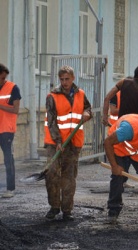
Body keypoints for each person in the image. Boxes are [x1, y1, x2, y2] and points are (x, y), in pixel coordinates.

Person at [44, 65, 92, 221]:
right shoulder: (52, 96)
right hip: (55, 142)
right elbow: (51, 121)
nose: (64, 82)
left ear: (73, 78)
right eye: (62, 79)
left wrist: (87, 113)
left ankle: (67, 209)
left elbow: (88, 108)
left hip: (74, 142)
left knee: (69, 176)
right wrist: (58, 140)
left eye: (67, 79)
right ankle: (54, 206)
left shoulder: (81, 94)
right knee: (52, 173)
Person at [0, 63, 21, 198]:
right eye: (1, 78)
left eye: (4, 78)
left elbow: (15, 110)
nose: (3, 80)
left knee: (8, 159)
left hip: (6, 129)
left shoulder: (13, 88)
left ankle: (10, 189)